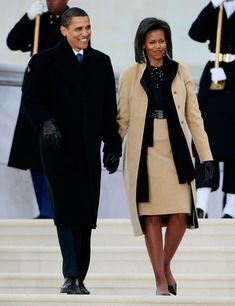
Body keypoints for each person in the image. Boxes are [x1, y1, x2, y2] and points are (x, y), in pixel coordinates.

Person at [21, 7, 121, 294]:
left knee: (86, 212)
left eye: (88, 27)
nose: (85, 33)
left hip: (89, 149)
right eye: (78, 28)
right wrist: (45, 123)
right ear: (64, 30)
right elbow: (31, 97)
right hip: (57, 148)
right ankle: (71, 274)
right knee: (65, 209)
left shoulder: (102, 62)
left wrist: (112, 147)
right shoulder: (44, 61)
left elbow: (107, 110)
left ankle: (81, 276)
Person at [117, 17, 214, 296]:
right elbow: (122, 118)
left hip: (176, 149)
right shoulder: (130, 74)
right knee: (150, 213)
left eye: (162, 41)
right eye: (152, 42)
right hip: (145, 150)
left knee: (182, 212)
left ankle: (165, 264)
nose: (158, 46)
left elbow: (194, 116)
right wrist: (112, 147)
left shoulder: (180, 69)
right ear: (143, 45)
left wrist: (205, 156)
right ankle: (160, 280)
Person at [6, 0, 69, 218]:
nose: (51, 2)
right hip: (34, 96)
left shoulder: (73, 20)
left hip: (57, 97)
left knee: (55, 152)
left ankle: (54, 208)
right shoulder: (39, 20)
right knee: (34, 153)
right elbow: (12, 42)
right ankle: (45, 209)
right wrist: (28, 17)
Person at [189, 0, 235, 219]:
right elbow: (196, 33)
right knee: (204, 138)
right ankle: (202, 202)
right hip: (213, 78)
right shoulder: (216, 9)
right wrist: (212, 5)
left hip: (232, 80)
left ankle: (232, 206)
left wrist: (231, 72)